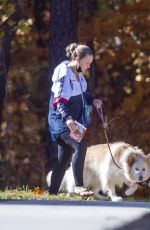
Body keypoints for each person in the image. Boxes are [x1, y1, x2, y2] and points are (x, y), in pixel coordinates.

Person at [48, 43, 102, 197]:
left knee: (63, 158)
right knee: (80, 145)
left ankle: (51, 194)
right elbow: (58, 101)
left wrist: (93, 100)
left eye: (90, 64)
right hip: (61, 119)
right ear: (77, 59)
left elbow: (82, 94)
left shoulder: (79, 75)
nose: (88, 67)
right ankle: (79, 186)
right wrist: (68, 120)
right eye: (86, 63)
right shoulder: (64, 72)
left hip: (71, 120)